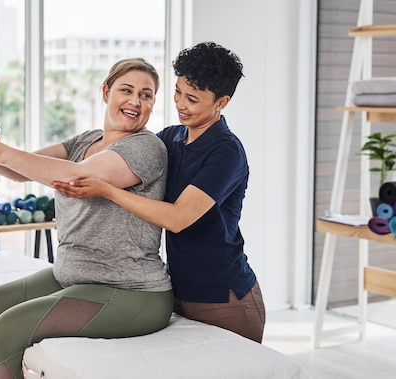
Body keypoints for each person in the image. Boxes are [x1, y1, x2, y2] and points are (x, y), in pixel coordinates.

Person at [0, 58, 173, 379]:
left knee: (8, 328)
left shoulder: (147, 147)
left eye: (146, 95)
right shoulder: (85, 141)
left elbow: (78, 177)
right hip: (73, 275)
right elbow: (21, 170)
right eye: (126, 90)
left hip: (132, 292)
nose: (135, 101)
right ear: (106, 92)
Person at [53, 42, 266, 344]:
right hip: (179, 292)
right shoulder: (171, 137)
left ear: (222, 102)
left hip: (226, 300)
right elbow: (125, 155)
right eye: (178, 92)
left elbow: (179, 218)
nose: (180, 104)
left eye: (192, 99)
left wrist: (108, 190)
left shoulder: (227, 152)